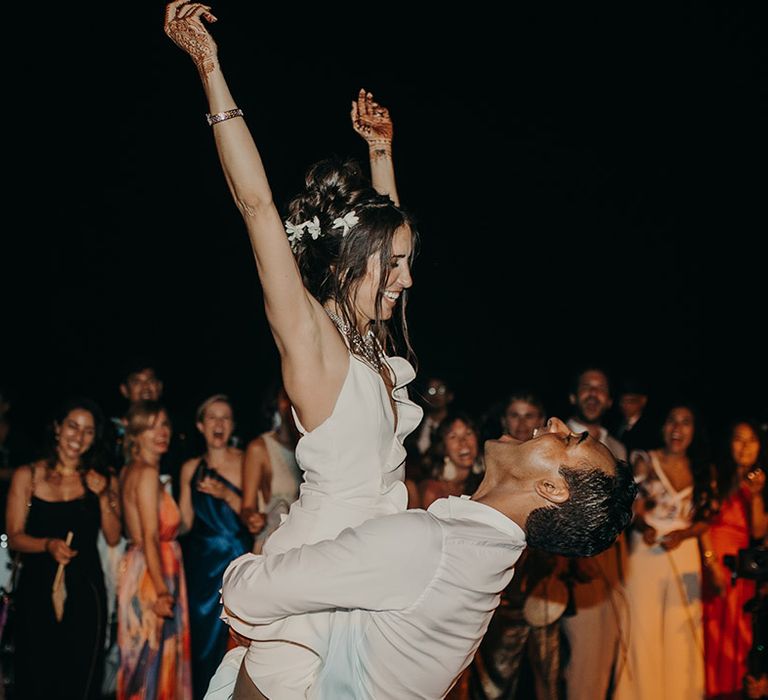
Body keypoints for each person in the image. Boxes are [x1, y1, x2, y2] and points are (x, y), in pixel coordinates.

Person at [164, 3, 422, 697]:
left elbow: (381, 235)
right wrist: (210, 69)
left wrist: (381, 154)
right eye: (394, 265)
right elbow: (256, 208)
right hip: (314, 578)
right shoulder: (314, 342)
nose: (406, 280)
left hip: (378, 574)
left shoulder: (371, 348)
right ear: (353, 262)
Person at [215, 417, 637, 699]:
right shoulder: (485, 561)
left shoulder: (430, 546)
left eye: (567, 440)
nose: (555, 424)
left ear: (552, 489)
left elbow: (243, 594)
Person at [5, 397, 121, 700]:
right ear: (57, 428)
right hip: (37, 586)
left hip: (86, 588)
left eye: (87, 431)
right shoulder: (27, 475)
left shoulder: (102, 477)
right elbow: (14, 536)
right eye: (72, 426)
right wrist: (47, 545)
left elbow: (112, 536)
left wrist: (105, 496)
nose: (78, 437)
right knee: (36, 671)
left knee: (80, 674)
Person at [614, 403, 712, 700]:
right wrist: (643, 525)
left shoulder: (703, 467)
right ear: (662, 426)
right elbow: (632, 509)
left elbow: (708, 517)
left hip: (686, 553)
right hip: (647, 551)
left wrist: (685, 532)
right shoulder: (644, 460)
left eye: (685, 422)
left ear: (694, 430)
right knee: (642, 627)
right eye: (672, 421)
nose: (677, 429)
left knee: (681, 629)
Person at [470, 391, 564, 700]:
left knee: (547, 682)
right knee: (495, 685)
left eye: (528, 415)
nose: (521, 423)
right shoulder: (496, 459)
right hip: (501, 597)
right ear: (503, 420)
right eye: (514, 415)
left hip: (543, 590)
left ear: (540, 420)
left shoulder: (555, 468)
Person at [561, 366, 628, 700]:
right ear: (573, 396)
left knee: (607, 657)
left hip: (614, 567)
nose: (592, 393)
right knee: (580, 663)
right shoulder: (557, 440)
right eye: (586, 387)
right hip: (573, 571)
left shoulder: (618, 447)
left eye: (600, 389)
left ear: (610, 400)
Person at [118, 400, 192, 699]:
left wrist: (185, 484)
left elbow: (179, 527)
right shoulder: (146, 473)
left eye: (164, 424)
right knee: (152, 666)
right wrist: (162, 591)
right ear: (135, 434)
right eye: (151, 427)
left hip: (145, 567)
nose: (162, 432)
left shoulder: (130, 471)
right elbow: (149, 536)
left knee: (143, 665)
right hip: (153, 574)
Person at [179, 395, 252, 699]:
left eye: (225, 417)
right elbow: (184, 524)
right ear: (200, 425)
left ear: (232, 425)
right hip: (201, 568)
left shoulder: (247, 459)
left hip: (238, 561)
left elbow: (256, 518)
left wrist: (225, 494)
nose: (219, 424)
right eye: (212, 417)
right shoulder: (190, 469)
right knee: (202, 644)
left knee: (239, 643)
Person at [701, 420, 767, 699]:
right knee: (709, 630)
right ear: (729, 444)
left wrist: (754, 497)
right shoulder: (716, 476)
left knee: (738, 634)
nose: (744, 447)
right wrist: (710, 562)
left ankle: (729, 691)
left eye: (751, 440)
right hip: (713, 560)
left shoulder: (762, 483)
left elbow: (758, 531)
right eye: (738, 439)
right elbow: (703, 522)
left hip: (743, 567)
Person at [240, 384, 301, 553]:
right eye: (285, 398)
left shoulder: (308, 447)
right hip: (273, 543)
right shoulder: (259, 448)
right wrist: (252, 518)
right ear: (275, 403)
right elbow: (247, 507)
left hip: (304, 542)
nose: (291, 403)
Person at [419, 412, 484, 510]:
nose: (463, 442)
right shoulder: (433, 491)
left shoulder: (484, 484)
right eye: (453, 437)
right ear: (443, 448)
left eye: (468, 433)